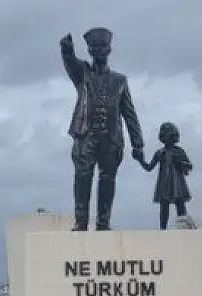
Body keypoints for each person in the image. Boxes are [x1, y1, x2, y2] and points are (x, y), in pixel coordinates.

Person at [59, 27, 145, 231]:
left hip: (111, 138)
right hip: (85, 135)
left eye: (102, 47)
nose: (99, 50)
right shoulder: (82, 74)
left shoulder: (119, 80)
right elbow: (70, 64)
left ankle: (103, 223)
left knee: (108, 180)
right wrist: (67, 50)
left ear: (109, 49)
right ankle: (80, 223)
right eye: (94, 47)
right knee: (82, 176)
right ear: (89, 50)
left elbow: (129, 113)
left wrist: (138, 143)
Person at [136, 121, 193, 230]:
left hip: (177, 183)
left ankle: (184, 228)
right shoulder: (159, 152)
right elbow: (149, 167)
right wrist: (140, 159)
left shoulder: (179, 151)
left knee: (180, 205)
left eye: (168, 134)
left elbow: (189, 166)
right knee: (164, 207)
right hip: (164, 183)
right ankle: (163, 229)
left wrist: (181, 163)